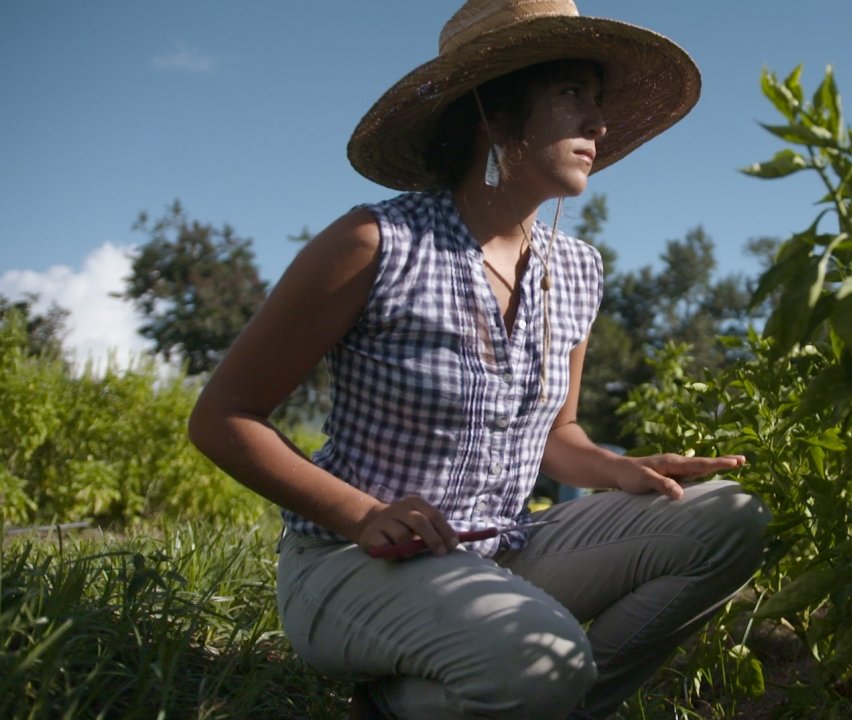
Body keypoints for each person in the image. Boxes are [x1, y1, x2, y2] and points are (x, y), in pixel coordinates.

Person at [187, 1, 769, 718]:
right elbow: (223, 417)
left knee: (731, 518)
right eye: (570, 95)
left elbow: (558, 433)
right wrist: (363, 515)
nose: (599, 122)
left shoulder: (577, 269)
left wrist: (621, 470)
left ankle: (533, 699)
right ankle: (501, 684)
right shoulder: (377, 243)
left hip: (502, 551)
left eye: (597, 99)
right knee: (540, 658)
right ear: (494, 113)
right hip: (352, 564)